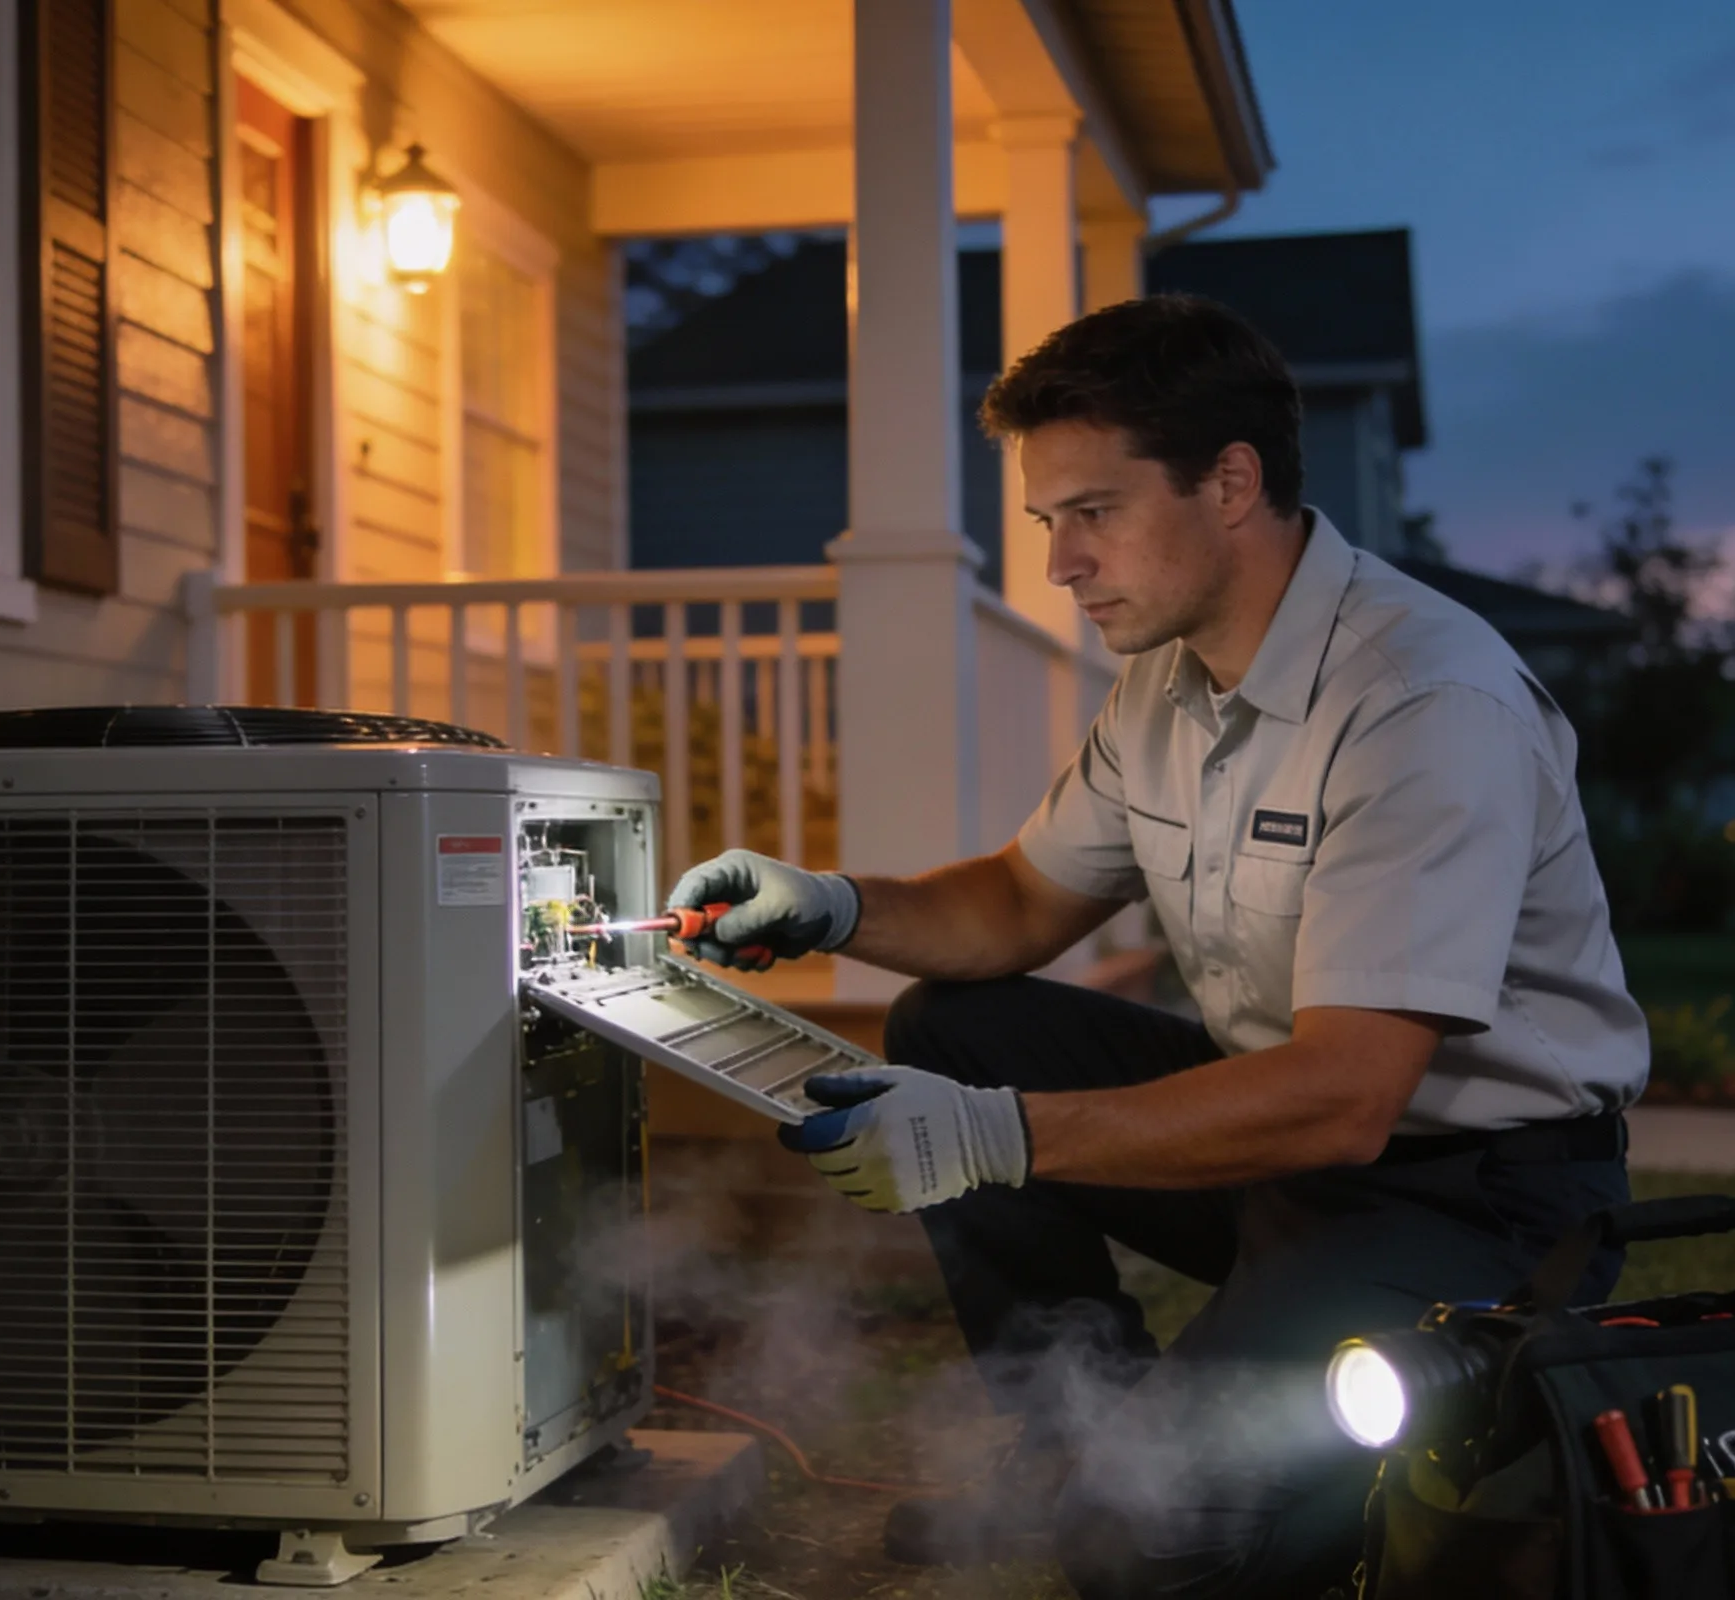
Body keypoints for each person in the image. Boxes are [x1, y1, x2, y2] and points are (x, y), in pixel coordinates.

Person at [666, 295, 1648, 1600]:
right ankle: (1071, 1434)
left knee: (1145, 1541)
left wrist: (989, 1136)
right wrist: (835, 905)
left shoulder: (1422, 702)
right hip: (1286, 1163)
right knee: (958, 1025)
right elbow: (1017, 907)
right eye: (1045, 522)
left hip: (1479, 1199)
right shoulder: (1168, 682)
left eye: (1093, 512)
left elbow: (1351, 1096)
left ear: (1232, 483)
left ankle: (1216, 1491)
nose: (1061, 563)